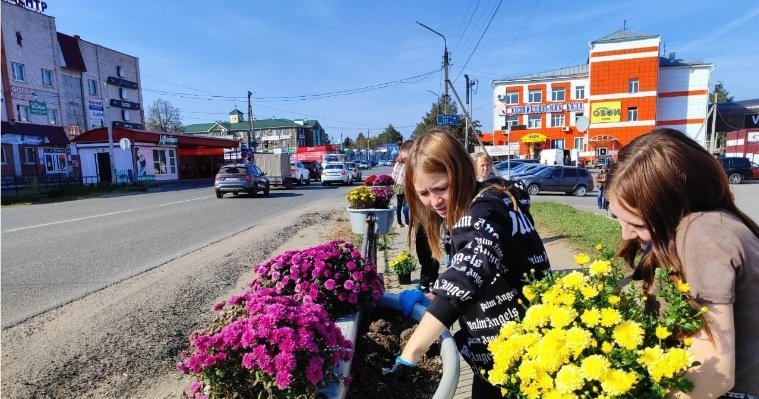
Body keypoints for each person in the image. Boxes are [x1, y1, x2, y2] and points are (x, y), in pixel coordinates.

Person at [391, 129, 551, 398]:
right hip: (497, 352)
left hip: (519, 358)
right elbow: (480, 271)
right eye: (424, 193)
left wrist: (411, 352)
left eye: (441, 188)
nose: (434, 201)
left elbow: (468, 274)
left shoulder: (483, 213)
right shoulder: (494, 198)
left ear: (462, 171)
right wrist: (434, 298)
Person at [605, 128, 759, 398]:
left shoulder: (703, 235)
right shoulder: (715, 221)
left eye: (638, 224)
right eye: (618, 218)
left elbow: (714, 375)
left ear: (676, 204)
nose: (625, 234)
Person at [391, 140, 414, 227]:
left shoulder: (397, 164)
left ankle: (399, 222)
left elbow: (393, 175)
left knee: (399, 205)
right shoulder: (406, 166)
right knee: (406, 205)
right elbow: (406, 178)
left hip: (397, 186)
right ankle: (407, 221)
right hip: (404, 186)